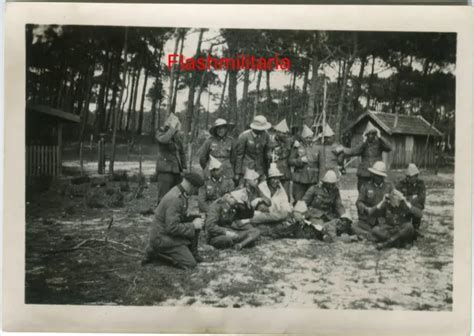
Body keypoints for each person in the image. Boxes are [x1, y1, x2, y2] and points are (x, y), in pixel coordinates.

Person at [143, 170, 205, 270]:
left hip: (164, 232)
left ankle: (193, 253)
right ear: (191, 186)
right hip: (161, 238)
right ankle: (157, 254)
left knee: (195, 218)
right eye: (196, 188)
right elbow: (172, 228)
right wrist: (193, 226)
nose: (195, 192)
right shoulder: (175, 198)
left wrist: (190, 218)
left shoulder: (179, 191)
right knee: (190, 264)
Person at [337, 122, 392, 191]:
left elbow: (389, 148)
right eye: (370, 134)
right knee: (362, 190)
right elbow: (353, 151)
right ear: (366, 135)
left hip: (376, 172)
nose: (372, 136)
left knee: (375, 191)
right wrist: (343, 149)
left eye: (373, 133)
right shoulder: (364, 145)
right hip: (364, 173)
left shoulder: (380, 143)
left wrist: (380, 137)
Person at [303, 170, 353, 240]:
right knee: (319, 228)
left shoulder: (335, 191)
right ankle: (325, 236)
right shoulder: (314, 189)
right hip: (315, 215)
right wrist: (303, 216)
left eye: (333, 184)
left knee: (342, 225)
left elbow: (338, 205)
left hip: (329, 215)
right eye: (330, 184)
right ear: (325, 183)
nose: (332, 186)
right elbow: (303, 203)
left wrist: (344, 216)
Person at [354, 161, 394, 241]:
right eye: (375, 175)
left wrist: (389, 203)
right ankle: (373, 235)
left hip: (383, 220)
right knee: (353, 226)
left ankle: (372, 235)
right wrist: (366, 208)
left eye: (379, 176)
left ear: (383, 177)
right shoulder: (365, 186)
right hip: (369, 219)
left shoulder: (389, 187)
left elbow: (395, 203)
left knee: (383, 229)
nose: (376, 178)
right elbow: (359, 202)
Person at [155, 113, 187, 204]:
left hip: (177, 171)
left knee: (177, 196)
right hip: (165, 170)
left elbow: (181, 151)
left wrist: (184, 167)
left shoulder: (176, 136)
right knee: (164, 197)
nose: (176, 124)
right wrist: (172, 128)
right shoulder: (161, 132)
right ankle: (160, 216)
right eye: (173, 121)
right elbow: (164, 140)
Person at [235, 115, 272, 185]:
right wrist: (237, 173)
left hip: (260, 169)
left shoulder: (266, 135)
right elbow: (239, 155)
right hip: (247, 169)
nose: (263, 130)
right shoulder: (244, 136)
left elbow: (267, 151)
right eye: (261, 129)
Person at [198, 118, 236, 184]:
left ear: (226, 129)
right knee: (210, 190)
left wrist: (230, 168)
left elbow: (233, 158)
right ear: (215, 130)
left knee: (227, 190)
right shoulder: (209, 141)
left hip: (227, 172)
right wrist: (207, 168)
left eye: (222, 128)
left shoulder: (231, 141)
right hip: (212, 171)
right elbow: (202, 158)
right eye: (218, 128)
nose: (220, 130)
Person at [289, 125, 320, 201]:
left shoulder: (316, 148)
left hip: (312, 179)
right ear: (303, 138)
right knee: (298, 200)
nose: (309, 139)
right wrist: (300, 161)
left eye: (310, 137)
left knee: (310, 200)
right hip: (300, 179)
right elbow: (290, 161)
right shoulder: (297, 147)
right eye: (307, 137)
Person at [267, 118, 293, 199]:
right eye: (280, 132)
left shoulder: (290, 142)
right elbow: (267, 154)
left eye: (284, 133)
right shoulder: (271, 142)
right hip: (274, 171)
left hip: (285, 173)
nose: (283, 135)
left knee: (285, 195)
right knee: (273, 194)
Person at [396, 163, 426, 231]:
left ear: (416, 176)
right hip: (404, 206)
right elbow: (396, 194)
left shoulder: (420, 183)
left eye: (410, 177)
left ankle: (416, 228)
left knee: (418, 208)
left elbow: (421, 198)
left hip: (415, 206)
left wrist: (409, 201)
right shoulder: (401, 183)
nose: (407, 178)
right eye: (407, 176)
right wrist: (411, 198)